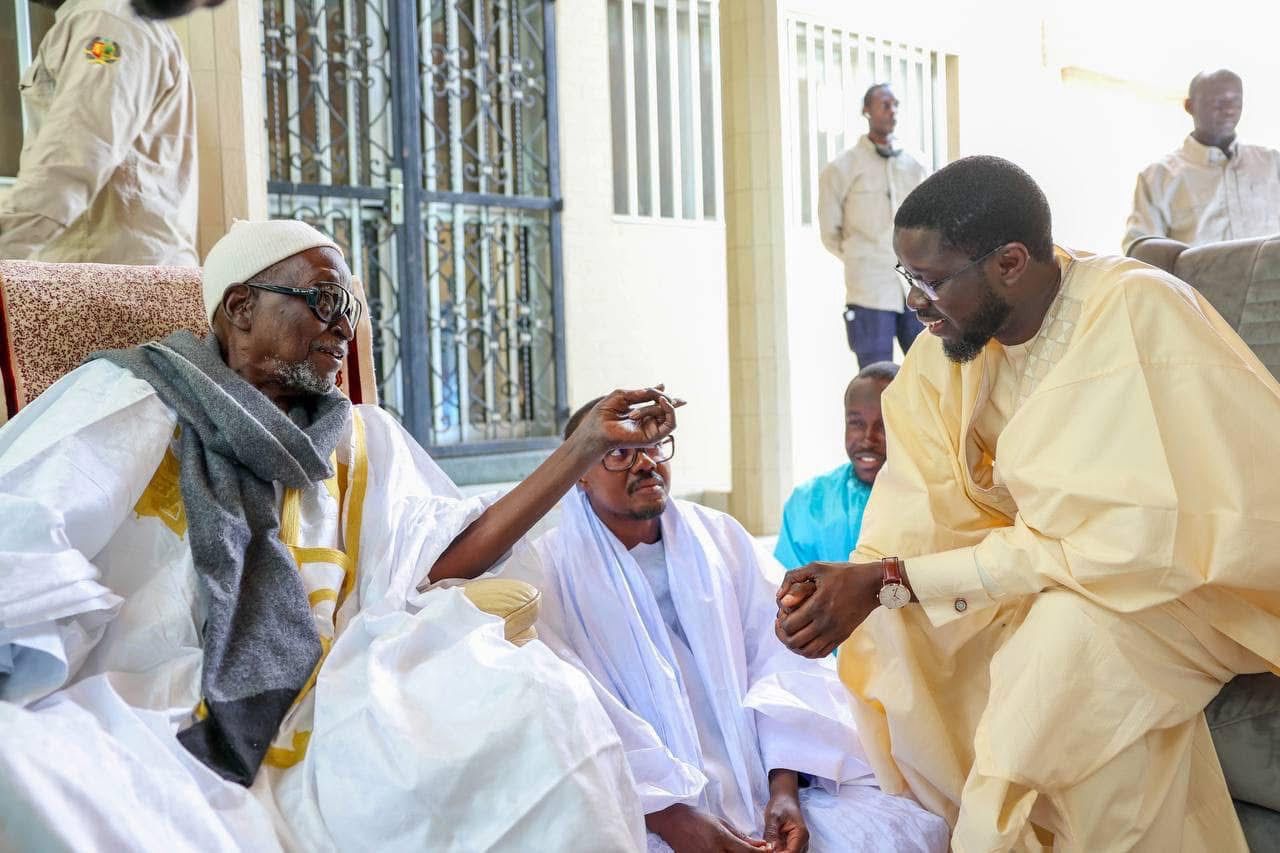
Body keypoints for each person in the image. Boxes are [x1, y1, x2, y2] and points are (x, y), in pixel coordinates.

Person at [0, 219, 687, 849]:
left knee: (541, 707)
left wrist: (585, 446)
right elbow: (25, 528)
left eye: (351, 311)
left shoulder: (361, 437)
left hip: (340, 702)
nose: (344, 330)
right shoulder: (134, 398)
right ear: (241, 308)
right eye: (324, 302)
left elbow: (442, 557)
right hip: (157, 700)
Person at [775, 156, 1280, 851]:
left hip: (1175, 577)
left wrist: (890, 579)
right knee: (892, 627)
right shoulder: (950, 345)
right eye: (907, 277)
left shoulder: (1129, 314)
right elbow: (914, 504)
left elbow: (1107, 541)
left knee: (1047, 680)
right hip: (1053, 563)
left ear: (1010, 262)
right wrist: (853, 581)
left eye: (930, 279)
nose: (915, 302)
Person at [515, 399, 951, 853]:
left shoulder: (719, 538)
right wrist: (674, 818)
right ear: (578, 474)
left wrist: (784, 792)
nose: (645, 464)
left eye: (654, 446)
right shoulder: (550, 572)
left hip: (764, 781)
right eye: (620, 453)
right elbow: (571, 721)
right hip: (640, 808)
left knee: (909, 834)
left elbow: (782, 662)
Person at [0, 0, 222, 263]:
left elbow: (73, 158)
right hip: (116, 275)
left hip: (108, 281)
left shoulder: (108, 23)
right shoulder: (106, 19)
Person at [818, 83, 929, 368]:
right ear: (866, 110)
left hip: (912, 286)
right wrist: (862, 258)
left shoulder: (915, 164)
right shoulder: (842, 168)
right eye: (884, 104)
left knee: (925, 370)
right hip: (868, 289)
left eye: (895, 104)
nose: (891, 111)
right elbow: (830, 233)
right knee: (875, 374)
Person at [1123, 69, 1280, 254]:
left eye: (1236, 101)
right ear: (1189, 106)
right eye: (1217, 102)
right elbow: (1142, 256)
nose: (1229, 109)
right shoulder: (1157, 178)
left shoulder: (1272, 163)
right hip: (1195, 284)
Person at [775, 361, 897, 570]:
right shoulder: (808, 502)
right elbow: (784, 588)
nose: (868, 439)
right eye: (856, 423)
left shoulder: (932, 499)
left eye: (884, 425)